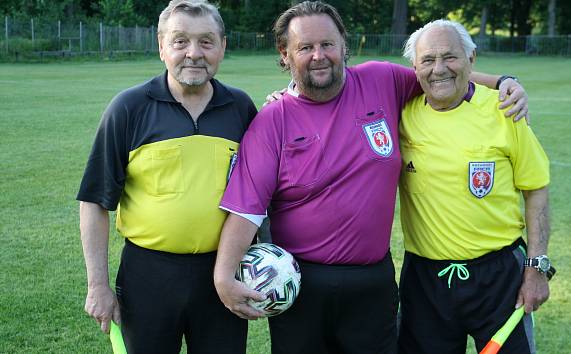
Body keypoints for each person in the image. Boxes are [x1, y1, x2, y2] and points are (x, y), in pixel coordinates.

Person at [213, 2, 528, 353]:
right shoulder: (272, 121)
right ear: (285, 54)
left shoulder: (382, 80)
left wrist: (503, 82)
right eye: (305, 47)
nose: (319, 55)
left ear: (344, 45)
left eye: (327, 44)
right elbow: (247, 206)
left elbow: (439, 77)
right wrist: (224, 275)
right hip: (301, 284)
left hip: (373, 283)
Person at [76, 1, 258, 352]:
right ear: (161, 47)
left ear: (223, 47)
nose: (193, 53)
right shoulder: (128, 108)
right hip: (148, 275)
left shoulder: (241, 108)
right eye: (179, 41)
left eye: (206, 42)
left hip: (223, 272)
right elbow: (95, 202)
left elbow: (259, 194)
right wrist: (97, 284)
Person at [397, 20, 552, 354]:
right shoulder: (400, 112)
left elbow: (536, 187)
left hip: (501, 277)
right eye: (428, 60)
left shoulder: (505, 111)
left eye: (450, 57)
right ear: (414, 68)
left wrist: (537, 266)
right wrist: (289, 96)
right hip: (425, 280)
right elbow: (340, 92)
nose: (439, 69)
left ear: (472, 59)